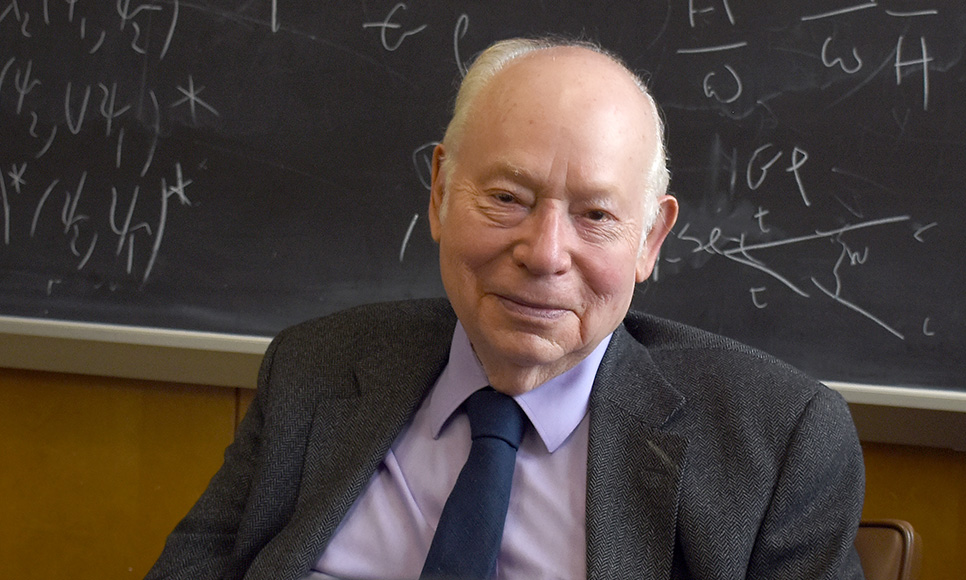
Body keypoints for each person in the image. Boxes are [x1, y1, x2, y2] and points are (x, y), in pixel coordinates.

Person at [145, 37, 865, 580]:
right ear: (439, 193)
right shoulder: (314, 371)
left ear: (651, 240)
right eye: (507, 199)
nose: (545, 253)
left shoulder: (775, 442)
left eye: (596, 216)